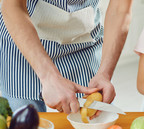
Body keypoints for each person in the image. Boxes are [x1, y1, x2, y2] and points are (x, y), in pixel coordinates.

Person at [0, 0, 132, 114]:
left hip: (83, 45)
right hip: (22, 47)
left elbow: (120, 9)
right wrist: (49, 76)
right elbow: (12, 6)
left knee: (97, 121)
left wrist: (104, 74)